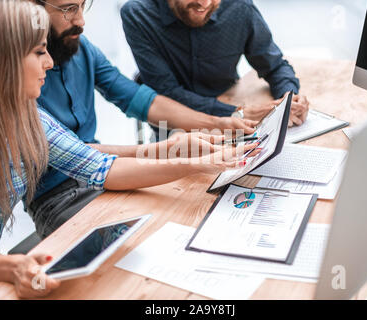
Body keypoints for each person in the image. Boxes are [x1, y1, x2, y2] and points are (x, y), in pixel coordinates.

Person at [0, 0, 256, 299]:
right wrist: (6, 267)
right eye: (39, 52)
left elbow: (100, 166)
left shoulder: (26, 116)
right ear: (0, 58)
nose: (49, 63)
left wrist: (190, 154)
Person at [24, 0, 259, 241]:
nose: (81, 21)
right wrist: (172, 152)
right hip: (62, 195)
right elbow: (82, 158)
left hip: (107, 173)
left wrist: (218, 122)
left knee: (197, 212)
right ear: (30, 7)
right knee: (158, 239)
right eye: (69, 9)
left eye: (84, 6)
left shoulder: (82, 48)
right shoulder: (16, 77)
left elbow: (140, 100)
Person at [121, 0, 310, 128]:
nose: (205, 4)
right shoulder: (138, 14)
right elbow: (167, 92)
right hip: (174, 125)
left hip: (233, 112)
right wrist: (240, 114)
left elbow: (275, 66)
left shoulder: (239, 6)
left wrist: (289, 97)